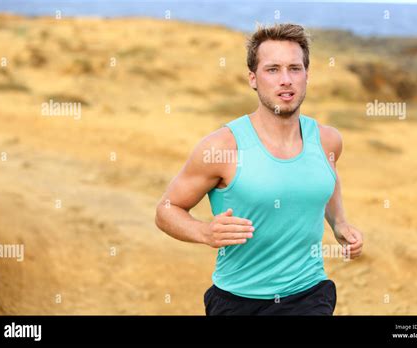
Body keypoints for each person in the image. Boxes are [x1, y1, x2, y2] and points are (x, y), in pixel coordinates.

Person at [155, 23, 363, 315]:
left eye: (294, 68)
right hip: (238, 301)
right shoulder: (222, 147)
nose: (286, 80)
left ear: (307, 75)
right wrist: (205, 233)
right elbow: (166, 209)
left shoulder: (328, 140)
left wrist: (339, 223)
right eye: (273, 69)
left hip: (309, 293)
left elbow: (325, 179)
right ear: (253, 78)